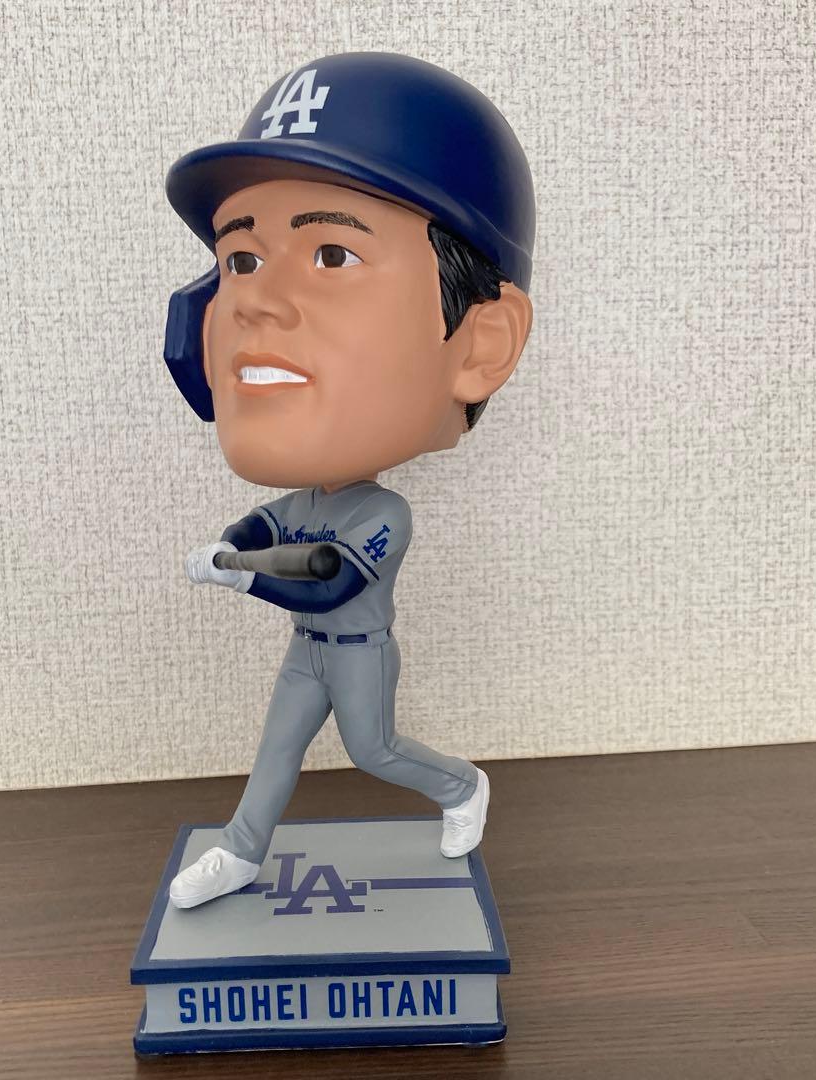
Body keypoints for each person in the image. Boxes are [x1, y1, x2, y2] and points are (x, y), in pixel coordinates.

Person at [160, 52, 535, 908]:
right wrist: (230, 546)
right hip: (308, 655)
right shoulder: (309, 498)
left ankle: (462, 785)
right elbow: (264, 528)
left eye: (331, 253)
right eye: (241, 260)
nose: (252, 301)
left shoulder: (383, 514)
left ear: (481, 342)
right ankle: (242, 852)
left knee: (375, 751)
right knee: (277, 749)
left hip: (358, 654)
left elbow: (324, 580)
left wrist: (239, 575)